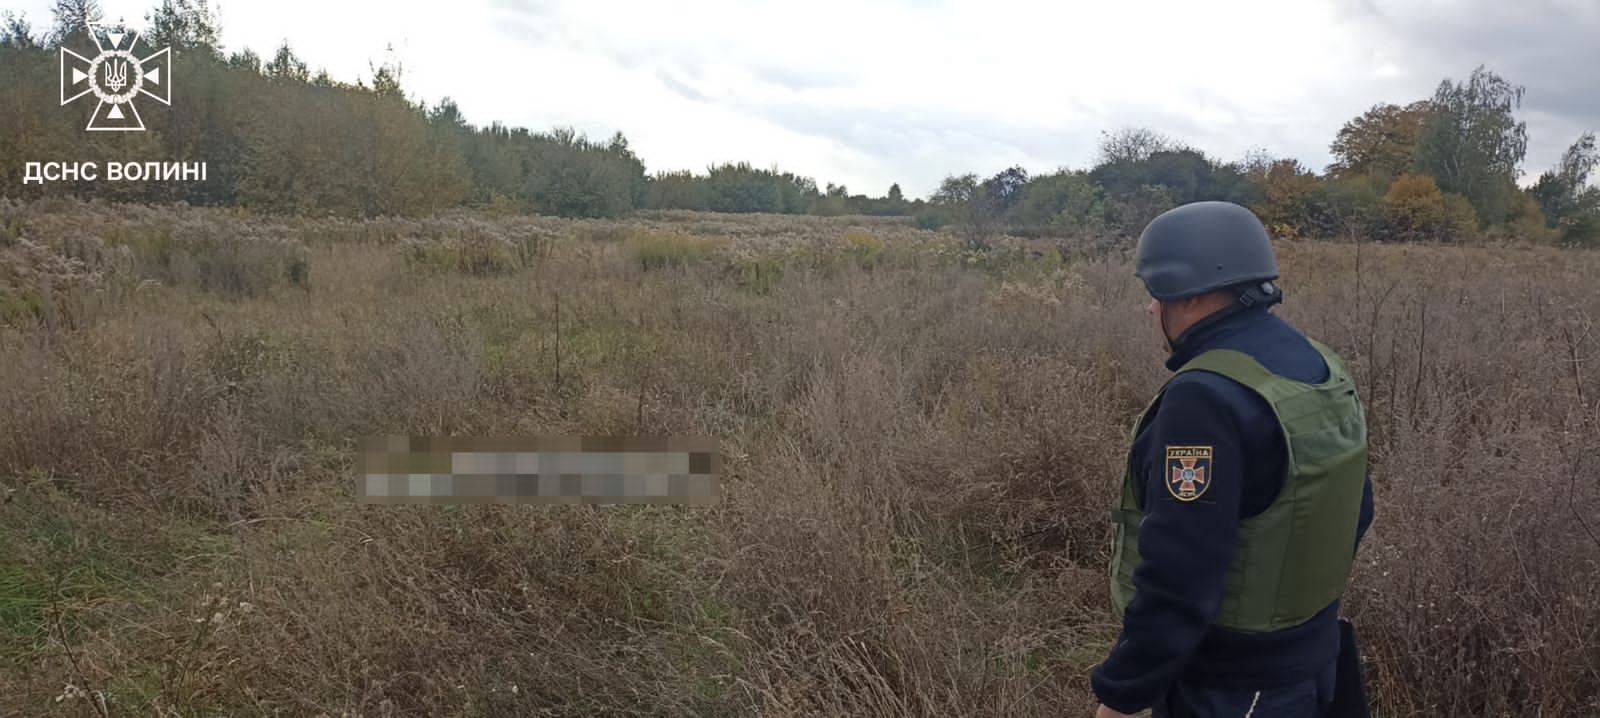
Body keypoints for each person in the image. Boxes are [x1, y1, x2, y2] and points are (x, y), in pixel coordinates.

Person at [1091, 201, 1376, 718]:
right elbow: (1357, 507)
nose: (1150, 309)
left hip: (1233, 689)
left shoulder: (1204, 397)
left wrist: (1123, 695)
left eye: (1156, 293)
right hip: (1314, 663)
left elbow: (1180, 575)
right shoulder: (1315, 362)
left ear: (1191, 293)